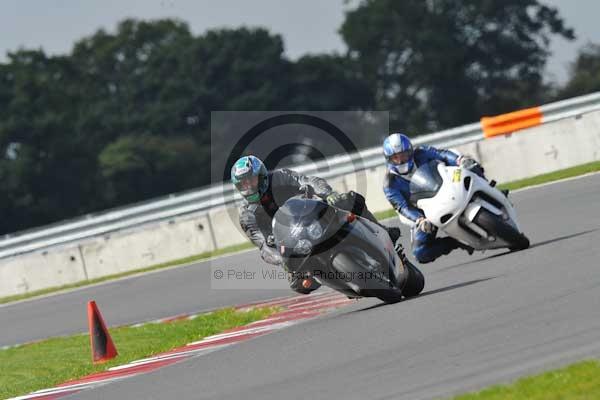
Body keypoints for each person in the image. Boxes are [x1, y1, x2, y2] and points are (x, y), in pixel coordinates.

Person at [231, 155, 399, 294]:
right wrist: (280, 259)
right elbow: (262, 246)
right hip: (290, 243)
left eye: (251, 180)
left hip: (311, 217)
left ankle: (382, 231)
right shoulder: (246, 215)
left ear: (262, 176)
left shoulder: (280, 176)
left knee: (351, 200)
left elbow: (309, 180)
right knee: (299, 285)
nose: (249, 187)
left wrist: (328, 193)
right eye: (243, 184)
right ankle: (335, 280)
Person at [382, 132, 492, 264]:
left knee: (470, 165)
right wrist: (420, 220)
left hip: (445, 186)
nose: (401, 160)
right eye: (396, 158)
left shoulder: (421, 152)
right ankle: (453, 243)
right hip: (423, 211)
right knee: (420, 253)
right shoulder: (390, 183)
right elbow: (402, 207)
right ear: (389, 159)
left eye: (404, 155)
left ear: (410, 152)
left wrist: (460, 160)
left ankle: (489, 189)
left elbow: (442, 154)